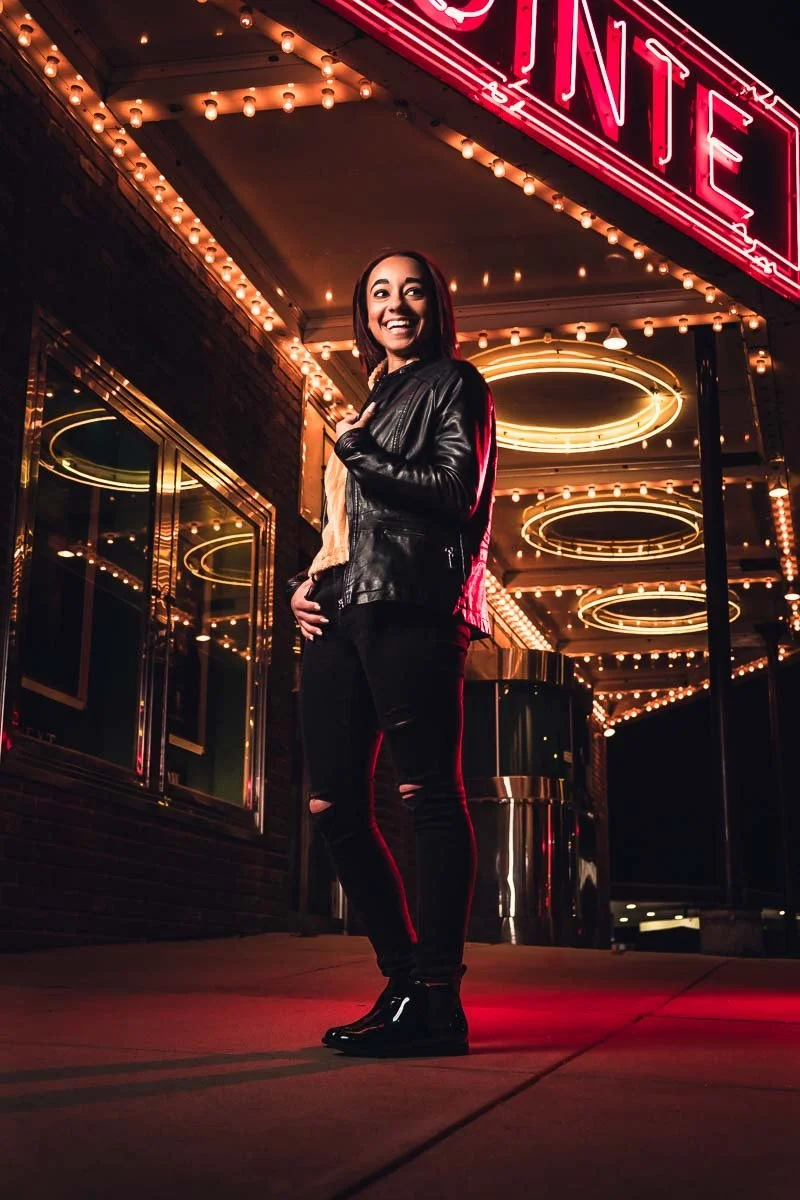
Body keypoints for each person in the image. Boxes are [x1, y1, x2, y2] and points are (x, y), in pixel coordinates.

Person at [286, 250, 497, 1057]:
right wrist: (306, 582)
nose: (395, 303)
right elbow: (350, 530)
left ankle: (438, 997)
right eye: (379, 292)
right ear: (363, 311)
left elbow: (455, 491)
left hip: (412, 605)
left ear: (434, 305)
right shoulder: (372, 400)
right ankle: (405, 980)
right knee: (331, 805)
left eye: (411, 290)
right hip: (341, 605)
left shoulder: (455, 384)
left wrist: (358, 453)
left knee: (427, 795)